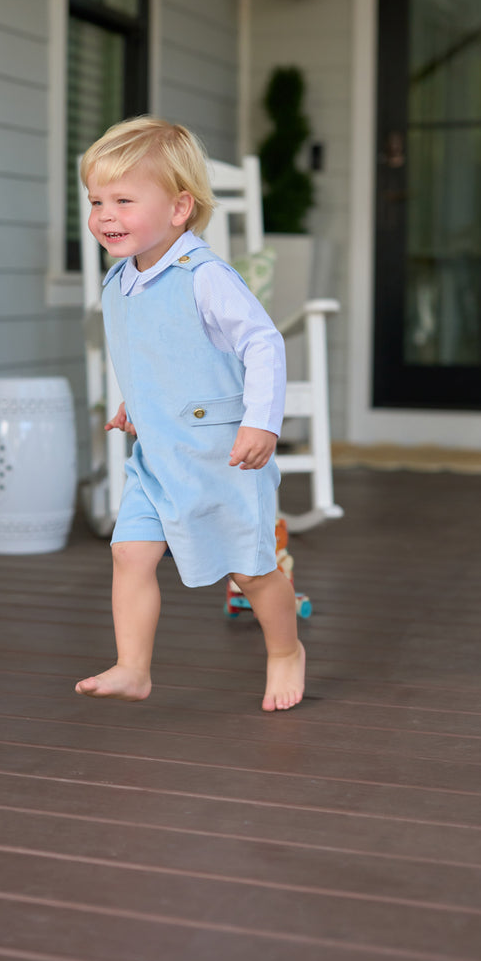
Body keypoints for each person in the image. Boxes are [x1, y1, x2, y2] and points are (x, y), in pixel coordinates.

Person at [75, 116, 305, 712]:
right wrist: (138, 401)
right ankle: (133, 667)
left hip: (222, 456)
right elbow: (156, 353)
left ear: (179, 208)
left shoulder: (205, 278)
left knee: (250, 573)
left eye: (124, 200)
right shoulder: (120, 280)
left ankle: (285, 651)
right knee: (129, 552)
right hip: (157, 454)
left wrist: (262, 422)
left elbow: (263, 344)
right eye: (97, 200)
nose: (105, 215)